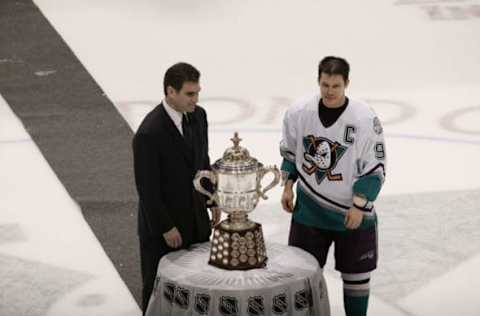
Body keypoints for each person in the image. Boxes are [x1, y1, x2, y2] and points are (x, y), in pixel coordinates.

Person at [279, 56, 386, 316]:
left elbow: (376, 166)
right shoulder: (299, 112)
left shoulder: (364, 118)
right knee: (301, 279)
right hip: (309, 212)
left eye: (336, 86)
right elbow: (291, 153)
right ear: (318, 81)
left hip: (352, 214)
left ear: (347, 83)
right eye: (325, 84)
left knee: (356, 278)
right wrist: (288, 185)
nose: (329, 91)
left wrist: (360, 206)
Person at [132, 62, 220, 314]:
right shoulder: (149, 133)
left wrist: (212, 199)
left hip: (196, 221)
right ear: (171, 92)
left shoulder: (199, 116)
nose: (196, 99)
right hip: (164, 231)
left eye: (197, 92)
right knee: (158, 291)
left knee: (198, 287)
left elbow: (203, 161)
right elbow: (147, 189)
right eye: (190, 94)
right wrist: (165, 227)